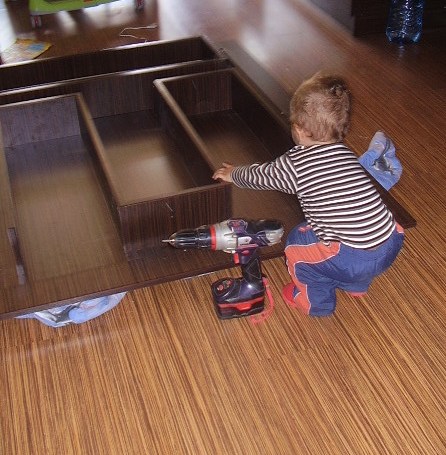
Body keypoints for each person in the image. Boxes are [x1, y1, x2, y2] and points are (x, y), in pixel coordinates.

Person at [212, 71, 404, 317]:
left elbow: (260, 176)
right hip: (390, 241)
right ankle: (356, 285)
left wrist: (233, 173)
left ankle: (315, 303)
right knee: (354, 235)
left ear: (299, 129)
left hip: (350, 257)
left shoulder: (295, 163)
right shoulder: (345, 153)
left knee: (296, 244)